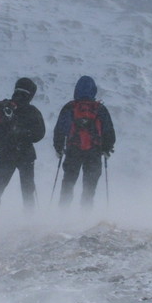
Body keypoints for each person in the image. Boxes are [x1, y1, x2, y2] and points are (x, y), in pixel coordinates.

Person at [53, 75, 116, 209]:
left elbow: (60, 129)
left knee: (68, 184)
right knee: (89, 187)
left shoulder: (70, 108)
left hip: (73, 151)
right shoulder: (100, 109)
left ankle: (62, 214)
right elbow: (109, 131)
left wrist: (58, 148)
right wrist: (107, 148)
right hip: (94, 152)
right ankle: (85, 216)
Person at [0, 77, 45, 213]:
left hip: (5, 153)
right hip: (26, 154)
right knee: (28, 188)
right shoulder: (32, 111)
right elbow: (39, 134)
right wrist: (25, 135)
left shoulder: (3, 107)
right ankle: (29, 217)